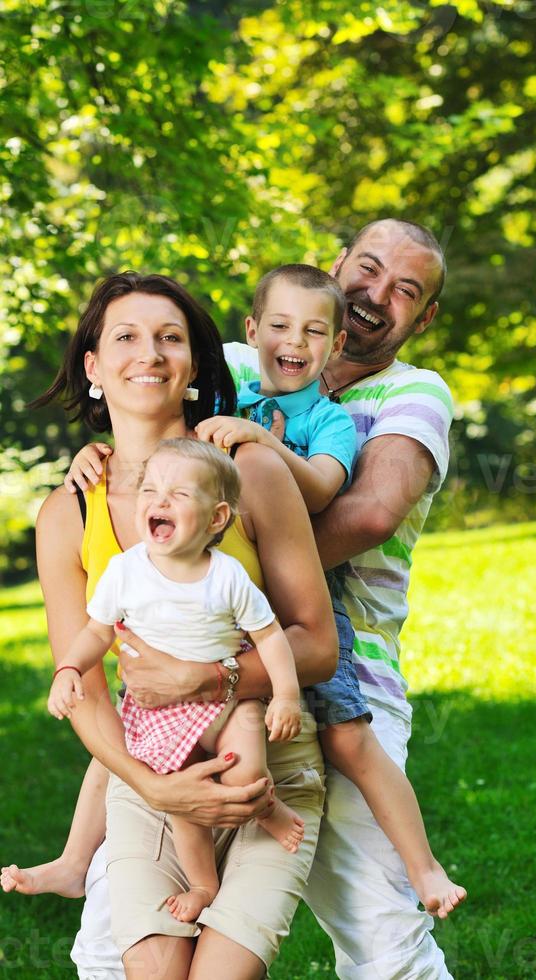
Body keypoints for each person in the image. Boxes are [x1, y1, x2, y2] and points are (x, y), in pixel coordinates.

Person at [15, 218, 457, 978]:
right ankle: (80, 859)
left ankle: (419, 877)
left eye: (406, 289)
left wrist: (205, 605)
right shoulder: (236, 378)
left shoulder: (374, 410)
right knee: (107, 953)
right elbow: (84, 672)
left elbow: (369, 519)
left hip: (321, 689)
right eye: (369, 269)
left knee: (381, 939)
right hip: (159, 732)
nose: (376, 295)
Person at [1, 272, 335, 980]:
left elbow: (316, 641)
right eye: (125, 337)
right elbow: (84, 683)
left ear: (192, 365)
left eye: (169, 338)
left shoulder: (250, 473)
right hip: (149, 775)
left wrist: (206, 677)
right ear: (93, 367)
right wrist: (150, 786)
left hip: (265, 771)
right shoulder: (68, 513)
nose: (148, 353)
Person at [199, 262, 465, 918]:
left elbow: (321, 487)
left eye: (315, 331)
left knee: (347, 736)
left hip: (311, 599)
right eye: (281, 327)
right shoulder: (225, 380)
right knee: (168, 732)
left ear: (334, 345)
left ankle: (425, 867)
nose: (295, 341)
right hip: (216, 602)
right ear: (252, 330)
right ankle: (172, 875)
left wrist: (264, 443)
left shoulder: (330, 419)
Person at [47, 438, 305, 924]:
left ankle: (270, 811)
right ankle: (204, 884)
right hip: (162, 711)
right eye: (150, 490)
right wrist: (68, 669)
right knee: (187, 800)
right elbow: (95, 632)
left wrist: (286, 695)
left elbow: (270, 637)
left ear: (216, 518)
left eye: (179, 495)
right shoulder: (125, 572)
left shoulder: (226, 576)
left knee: (246, 774)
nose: (159, 501)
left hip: (231, 702)